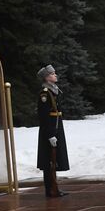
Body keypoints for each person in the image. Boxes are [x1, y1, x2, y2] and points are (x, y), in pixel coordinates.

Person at [36, 64, 69, 198]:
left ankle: (53, 188)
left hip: (56, 126)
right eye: (52, 73)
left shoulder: (54, 90)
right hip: (49, 129)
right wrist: (50, 135)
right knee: (49, 160)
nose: (55, 75)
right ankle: (50, 189)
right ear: (46, 77)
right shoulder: (45, 93)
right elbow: (43, 116)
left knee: (54, 159)